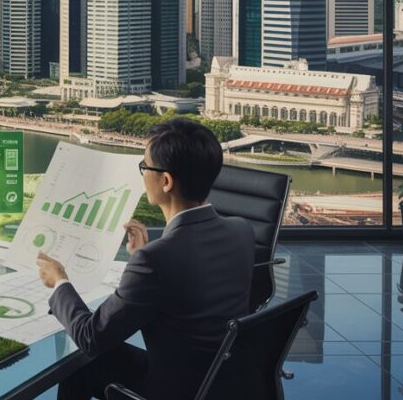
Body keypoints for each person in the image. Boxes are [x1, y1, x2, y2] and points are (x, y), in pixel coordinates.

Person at [36, 118, 255, 400]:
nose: (142, 175)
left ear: (166, 181)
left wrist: (59, 282)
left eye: (144, 166)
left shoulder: (156, 260)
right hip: (221, 381)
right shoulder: (242, 230)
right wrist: (143, 257)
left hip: (174, 390)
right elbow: (193, 287)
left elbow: (92, 337)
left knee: (82, 360)